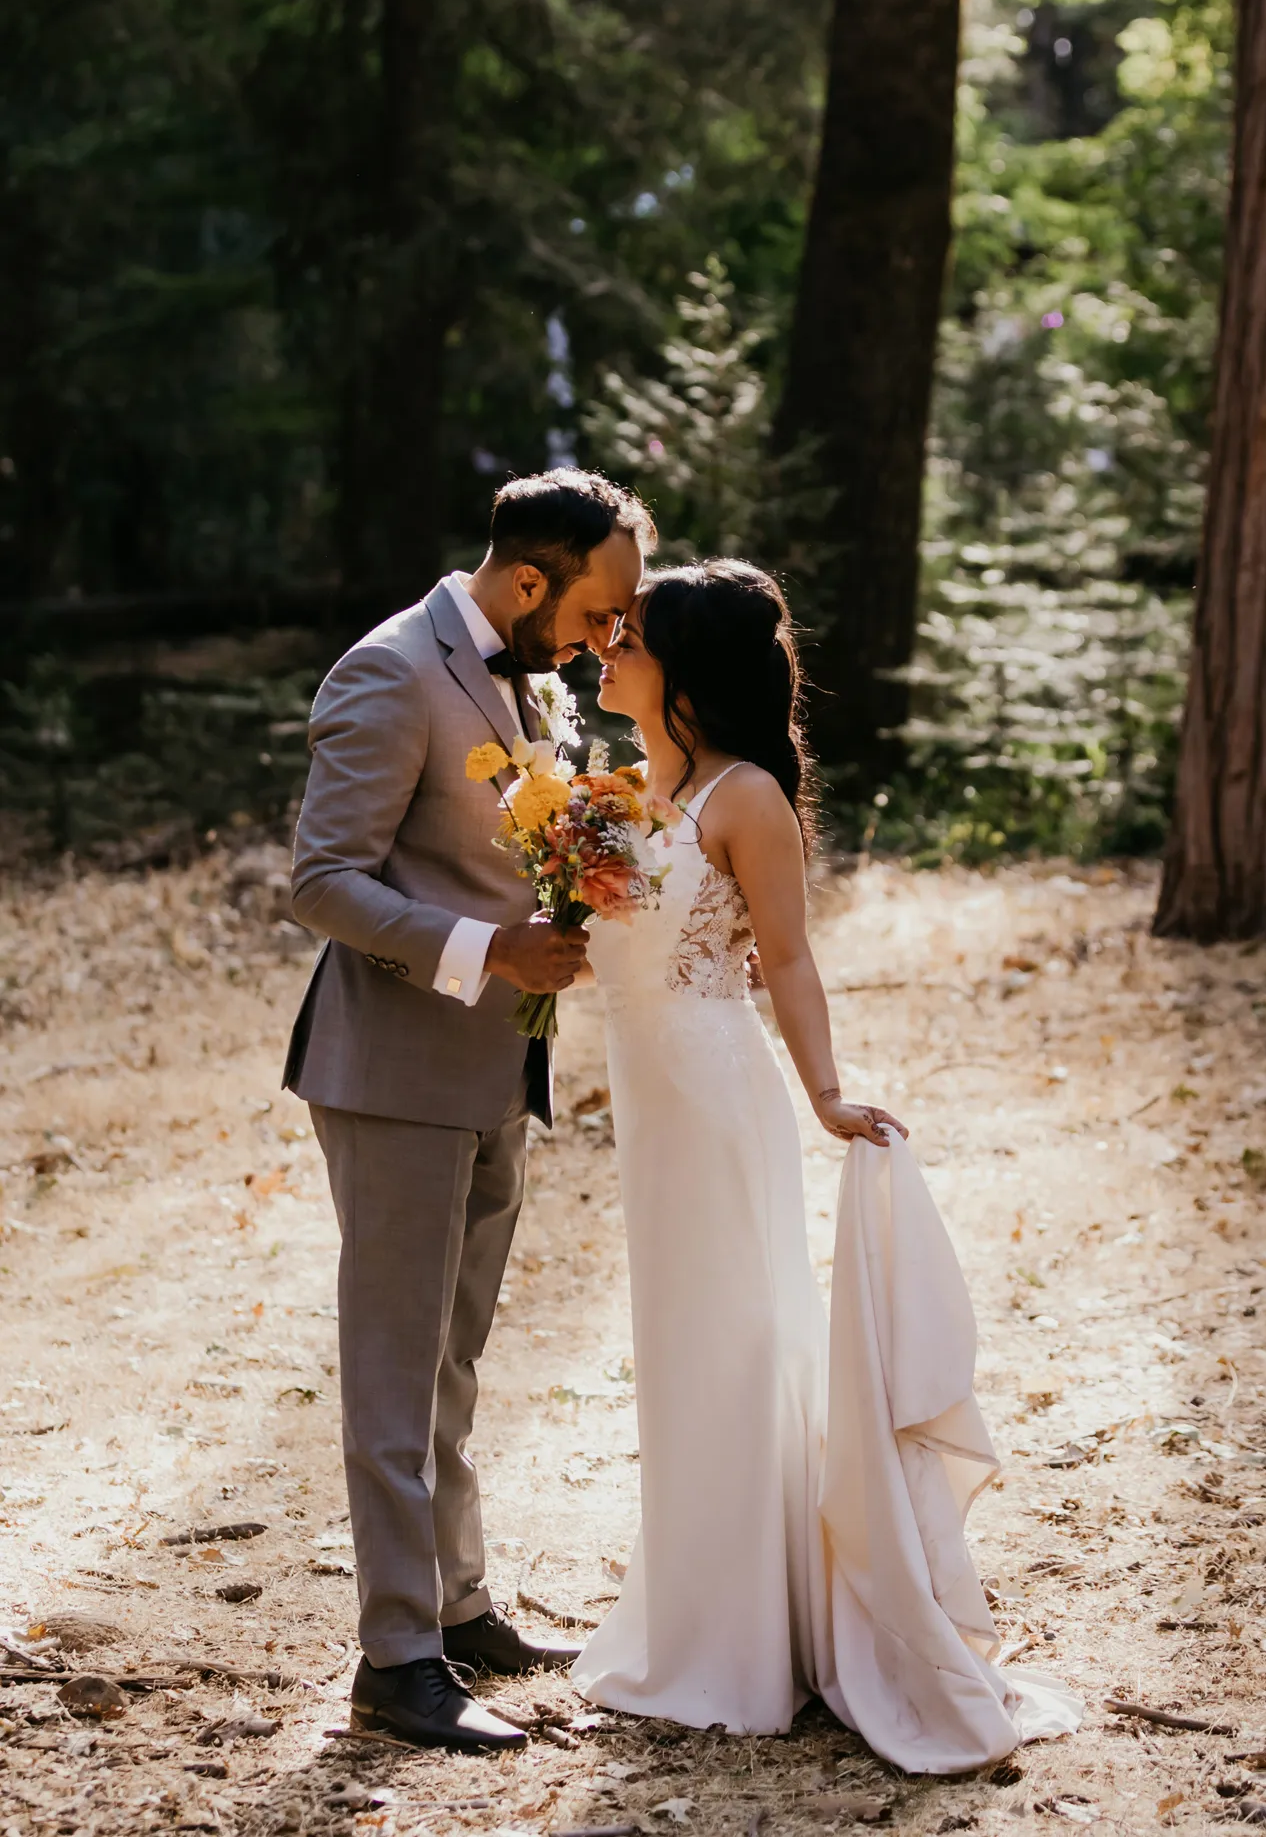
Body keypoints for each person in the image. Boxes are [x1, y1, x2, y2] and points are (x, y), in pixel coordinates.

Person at [570, 559, 1081, 1769]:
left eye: (627, 636)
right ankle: (692, 1610)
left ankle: (746, 1641)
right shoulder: (624, 794)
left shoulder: (744, 799)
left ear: (684, 673)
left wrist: (825, 1094)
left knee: (736, 1342)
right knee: (679, 1350)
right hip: (647, 1107)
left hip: (714, 1093)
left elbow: (785, 962)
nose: (604, 649)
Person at [283, 468, 653, 1752]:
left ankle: (459, 1605)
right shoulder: (390, 671)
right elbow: (321, 883)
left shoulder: (521, 675)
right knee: (394, 1371)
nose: (607, 638)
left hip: (496, 1069)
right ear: (532, 579)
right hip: (392, 1072)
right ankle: (395, 1659)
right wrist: (485, 952)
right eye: (600, 610)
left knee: (451, 1356)